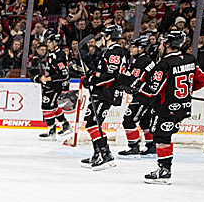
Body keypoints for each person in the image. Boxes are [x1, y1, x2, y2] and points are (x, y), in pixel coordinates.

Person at [137, 30, 204, 184]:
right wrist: (185, 93)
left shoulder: (164, 63)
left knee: (161, 137)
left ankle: (164, 171)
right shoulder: (190, 59)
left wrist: (136, 87)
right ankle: (164, 169)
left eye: (163, 42)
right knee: (165, 136)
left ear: (169, 44)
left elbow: (152, 90)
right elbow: (203, 80)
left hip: (166, 107)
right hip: (183, 107)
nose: (160, 46)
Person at [80, 24, 128, 170]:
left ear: (108, 36)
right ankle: (97, 153)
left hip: (106, 92)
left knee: (93, 122)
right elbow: (103, 72)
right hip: (102, 91)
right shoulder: (111, 52)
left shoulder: (115, 52)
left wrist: (94, 81)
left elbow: (112, 76)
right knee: (93, 122)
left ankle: (105, 154)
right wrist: (91, 76)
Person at [117, 33, 159, 158]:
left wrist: (121, 83)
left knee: (129, 120)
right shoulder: (141, 59)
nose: (131, 49)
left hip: (144, 96)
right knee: (145, 121)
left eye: (134, 47)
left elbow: (135, 80)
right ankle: (151, 147)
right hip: (148, 96)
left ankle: (133, 148)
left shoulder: (142, 61)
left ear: (141, 48)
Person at [32, 31, 73, 139]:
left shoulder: (58, 56)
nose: (48, 44)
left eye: (50, 42)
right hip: (52, 85)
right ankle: (65, 125)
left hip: (56, 86)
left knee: (46, 106)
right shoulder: (53, 54)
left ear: (56, 43)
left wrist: (47, 79)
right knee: (53, 106)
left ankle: (52, 130)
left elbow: (64, 74)